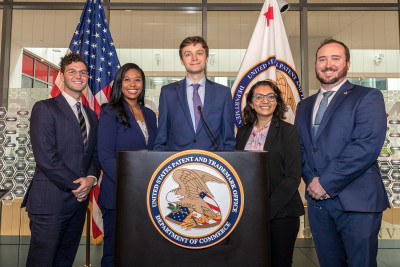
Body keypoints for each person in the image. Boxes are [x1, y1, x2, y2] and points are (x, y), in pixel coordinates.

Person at [294, 39, 390, 267]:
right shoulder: (304, 106)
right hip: (319, 204)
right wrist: (313, 183)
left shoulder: (368, 96)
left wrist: (325, 182)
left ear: (347, 63)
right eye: (322, 59)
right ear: (316, 64)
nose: (328, 64)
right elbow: (301, 149)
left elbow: (365, 147)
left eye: (335, 58)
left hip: (357, 203)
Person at [22, 53, 100, 266]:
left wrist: (91, 179)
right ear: (62, 76)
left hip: (78, 205)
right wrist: (78, 185)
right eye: (72, 71)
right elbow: (46, 157)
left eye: (83, 72)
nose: (78, 76)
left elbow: (94, 155)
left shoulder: (91, 116)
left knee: (64, 261)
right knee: (42, 261)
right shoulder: (44, 108)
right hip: (50, 203)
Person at [236, 80, 304, 267]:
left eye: (270, 96)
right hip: (247, 213)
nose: (265, 101)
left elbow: (292, 176)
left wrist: (265, 209)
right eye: (259, 97)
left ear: (277, 101)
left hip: (281, 213)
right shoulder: (242, 133)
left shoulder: (288, 131)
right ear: (251, 102)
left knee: (279, 262)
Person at [98, 63, 157, 266]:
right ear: (119, 83)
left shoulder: (149, 114)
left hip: (146, 196)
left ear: (143, 84)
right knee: (114, 253)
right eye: (127, 79)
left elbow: (154, 153)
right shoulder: (109, 112)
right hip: (118, 194)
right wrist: (131, 184)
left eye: (137, 80)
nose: (133, 84)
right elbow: (105, 156)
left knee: (140, 252)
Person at [154, 36, 235, 150]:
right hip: (177, 164)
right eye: (188, 54)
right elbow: (161, 139)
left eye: (199, 53)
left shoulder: (223, 93)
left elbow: (228, 140)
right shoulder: (167, 92)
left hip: (213, 164)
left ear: (206, 58)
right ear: (182, 61)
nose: (194, 58)